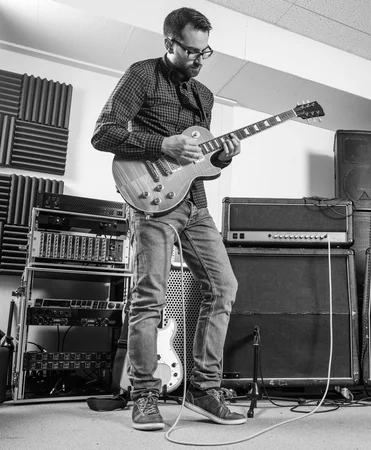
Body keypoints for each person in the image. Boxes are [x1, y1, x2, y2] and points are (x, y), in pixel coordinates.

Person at [91, 7, 246, 431]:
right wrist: (163, 144)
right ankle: (144, 394)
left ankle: (203, 389)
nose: (199, 59)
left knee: (224, 286)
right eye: (192, 51)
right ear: (170, 44)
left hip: (195, 203)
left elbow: (202, 158)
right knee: (150, 297)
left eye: (205, 52)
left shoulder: (205, 96)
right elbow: (102, 132)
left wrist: (222, 156)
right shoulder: (141, 75)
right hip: (150, 199)